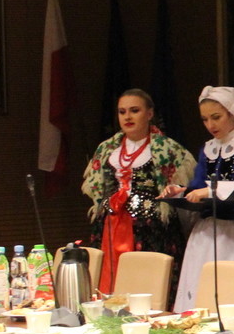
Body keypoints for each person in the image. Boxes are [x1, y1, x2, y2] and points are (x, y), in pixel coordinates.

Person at [81, 89, 194, 296]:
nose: (127, 117)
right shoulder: (106, 149)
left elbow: (184, 189)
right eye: (122, 112)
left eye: (134, 111)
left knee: (149, 287)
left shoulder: (168, 149)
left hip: (152, 230)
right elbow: (97, 187)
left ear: (149, 114)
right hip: (109, 227)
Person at [167, 86, 234, 311]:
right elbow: (198, 187)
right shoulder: (208, 148)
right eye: (205, 119)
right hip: (206, 231)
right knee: (200, 291)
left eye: (216, 117)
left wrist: (211, 191)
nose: (210, 125)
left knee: (230, 294)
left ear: (233, 113)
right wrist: (180, 191)